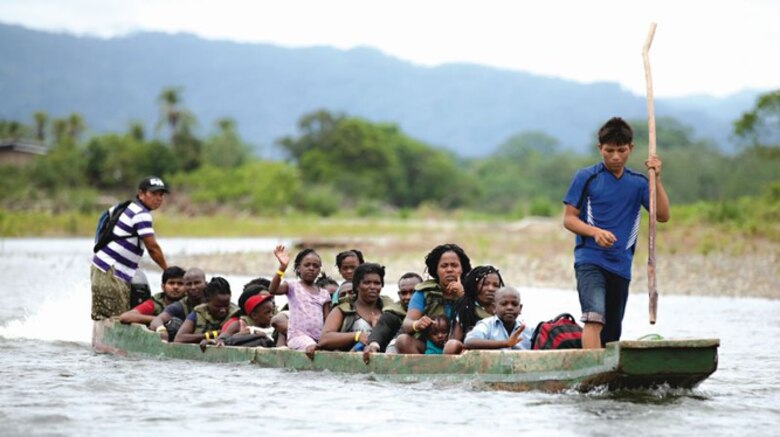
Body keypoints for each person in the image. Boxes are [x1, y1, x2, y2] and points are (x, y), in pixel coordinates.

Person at [563, 117, 670, 349]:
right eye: (609, 150)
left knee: (612, 330)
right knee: (594, 317)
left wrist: (656, 178)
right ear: (599, 148)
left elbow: (662, 215)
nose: (615, 156)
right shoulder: (587, 177)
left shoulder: (640, 183)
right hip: (590, 260)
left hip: (621, 265)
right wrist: (594, 232)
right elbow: (569, 219)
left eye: (621, 150)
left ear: (630, 148)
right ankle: (591, 375)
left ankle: (607, 380)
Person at [91, 176, 169, 320]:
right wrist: (167, 271)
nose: (158, 198)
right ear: (141, 194)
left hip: (105, 267)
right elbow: (152, 248)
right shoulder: (141, 214)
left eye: (161, 194)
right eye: (153, 193)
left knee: (106, 316)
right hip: (110, 270)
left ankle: (99, 342)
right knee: (117, 317)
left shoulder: (130, 206)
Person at [394, 243, 472, 354]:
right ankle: (423, 370)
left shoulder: (471, 291)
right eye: (444, 266)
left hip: (460, 347)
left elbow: (480, 320)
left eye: (454, 265)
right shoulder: (424, 292)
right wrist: (417, 324)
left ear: (462, 269)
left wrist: (462, 296)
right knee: (402, 340)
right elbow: (407, 323)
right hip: (429, 346)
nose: (449, 270)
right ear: (436, 270)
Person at [268, 245, 331, 356]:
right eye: (307, 265)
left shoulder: (324, 294)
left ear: (319, 270)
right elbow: (273, 290)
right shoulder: (293, 287)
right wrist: (282, 268)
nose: (311, 268)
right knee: (312, 347)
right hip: (297, 337)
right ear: (298, 268)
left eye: (315, 266)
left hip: (318, 339)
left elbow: (327, 320)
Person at [318, 263, 392, 351]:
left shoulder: (389, 310)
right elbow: (324, 339)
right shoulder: (342, 310)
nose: (372, 287)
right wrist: (356, 336)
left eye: (377, 283)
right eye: (367, 283)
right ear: (356, 285)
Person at [442, 265, 504, 354]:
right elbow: (455, 339)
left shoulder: (503, 310)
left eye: (496, 285)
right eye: (485, 284)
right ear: (474, 286)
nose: (491, 289)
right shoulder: (466, 308)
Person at [363, 272, 423, 356]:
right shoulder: (393, 312)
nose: (408, 297)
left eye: (413, 292)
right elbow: (383, 326)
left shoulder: (431, 308)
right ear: (399, 294)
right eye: (404, 293)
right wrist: (373, 344)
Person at [173, 277, 239, 345]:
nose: (223, 310)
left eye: (226, 305)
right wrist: (212, 334)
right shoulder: (199, 313)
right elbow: (179, 338)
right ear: (207, 300)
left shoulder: (236, 314)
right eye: (217, 306)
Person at [464, 287, 532, 350]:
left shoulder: (527, 330)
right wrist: (506, 343)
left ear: (520, 308)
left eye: (514, 304)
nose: (510, 308)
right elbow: (469, 342)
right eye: (504, 304)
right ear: (494, 308)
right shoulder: (487, 325)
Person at [119, 266, 185, 325]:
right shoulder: (155, 304)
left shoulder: (190, 302)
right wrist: (161, 320)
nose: (176, 287)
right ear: (163, 287)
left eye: (180, 284)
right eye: (171, 283)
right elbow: (125, 317)